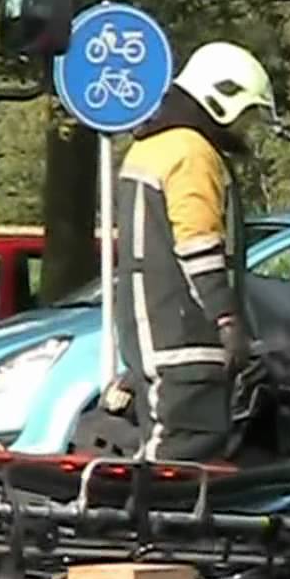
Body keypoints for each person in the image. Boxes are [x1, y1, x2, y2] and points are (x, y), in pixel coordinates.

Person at [114, 42, 279, 464]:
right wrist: (226, 318)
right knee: (181, 464)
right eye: (245, 113)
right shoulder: (190, 152)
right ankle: (156, 532)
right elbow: (198, 242)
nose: (245, 127)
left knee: (166, 450)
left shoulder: (150, 146)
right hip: (186, 340)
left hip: (153, 331)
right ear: (221, 98)